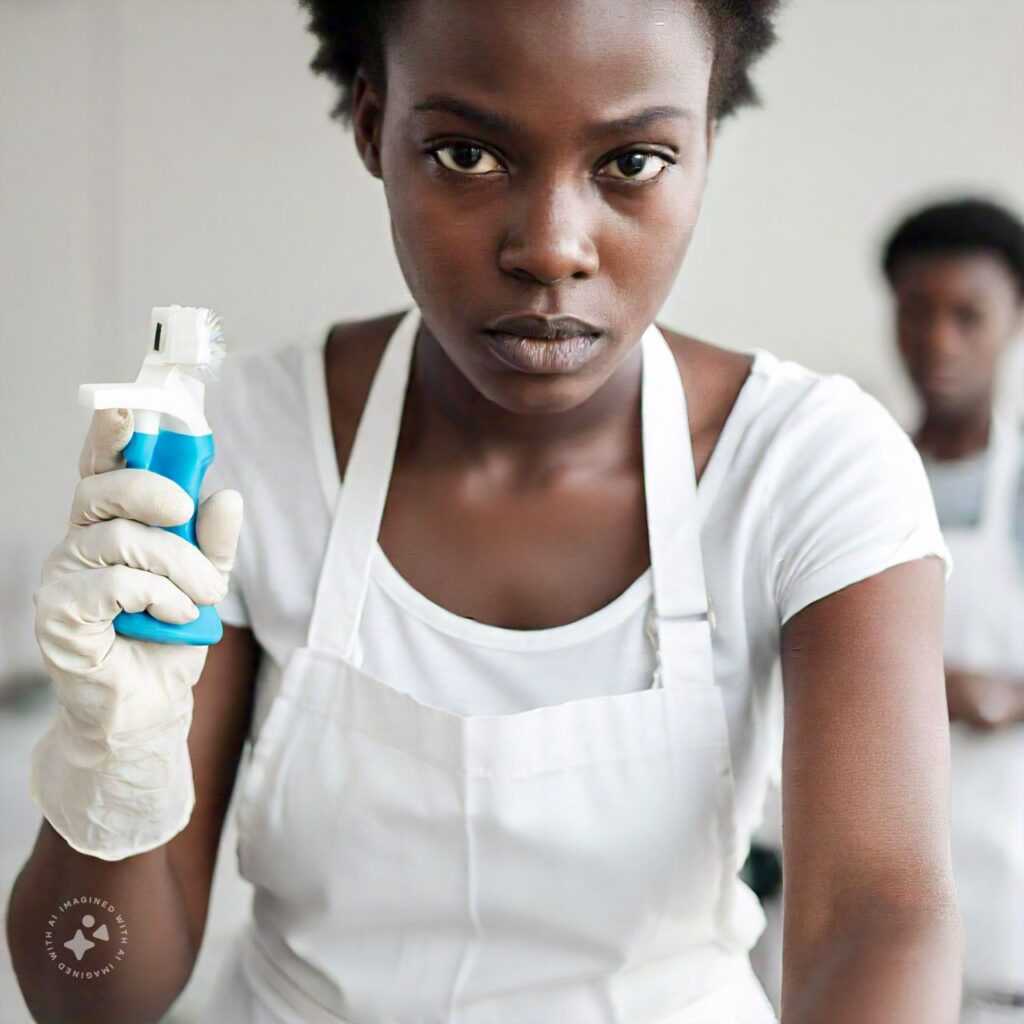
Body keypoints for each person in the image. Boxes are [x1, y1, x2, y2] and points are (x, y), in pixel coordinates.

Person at [8, 3, 964, 1022]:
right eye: (466, 154)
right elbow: (88, 994)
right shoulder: (244, 449)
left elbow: (875, 913)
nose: (551, 248)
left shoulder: (807, 467)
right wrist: (109, 761)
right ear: (373, 127)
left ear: (705, 147)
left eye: (633, 161)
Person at [882, 197, 1024, 1024]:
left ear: (1012, 320)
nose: (939, 342)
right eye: (916, 311)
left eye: (968, 316)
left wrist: (995, 695)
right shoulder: (856, 476)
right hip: (876, 874)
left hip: (1005, 886)